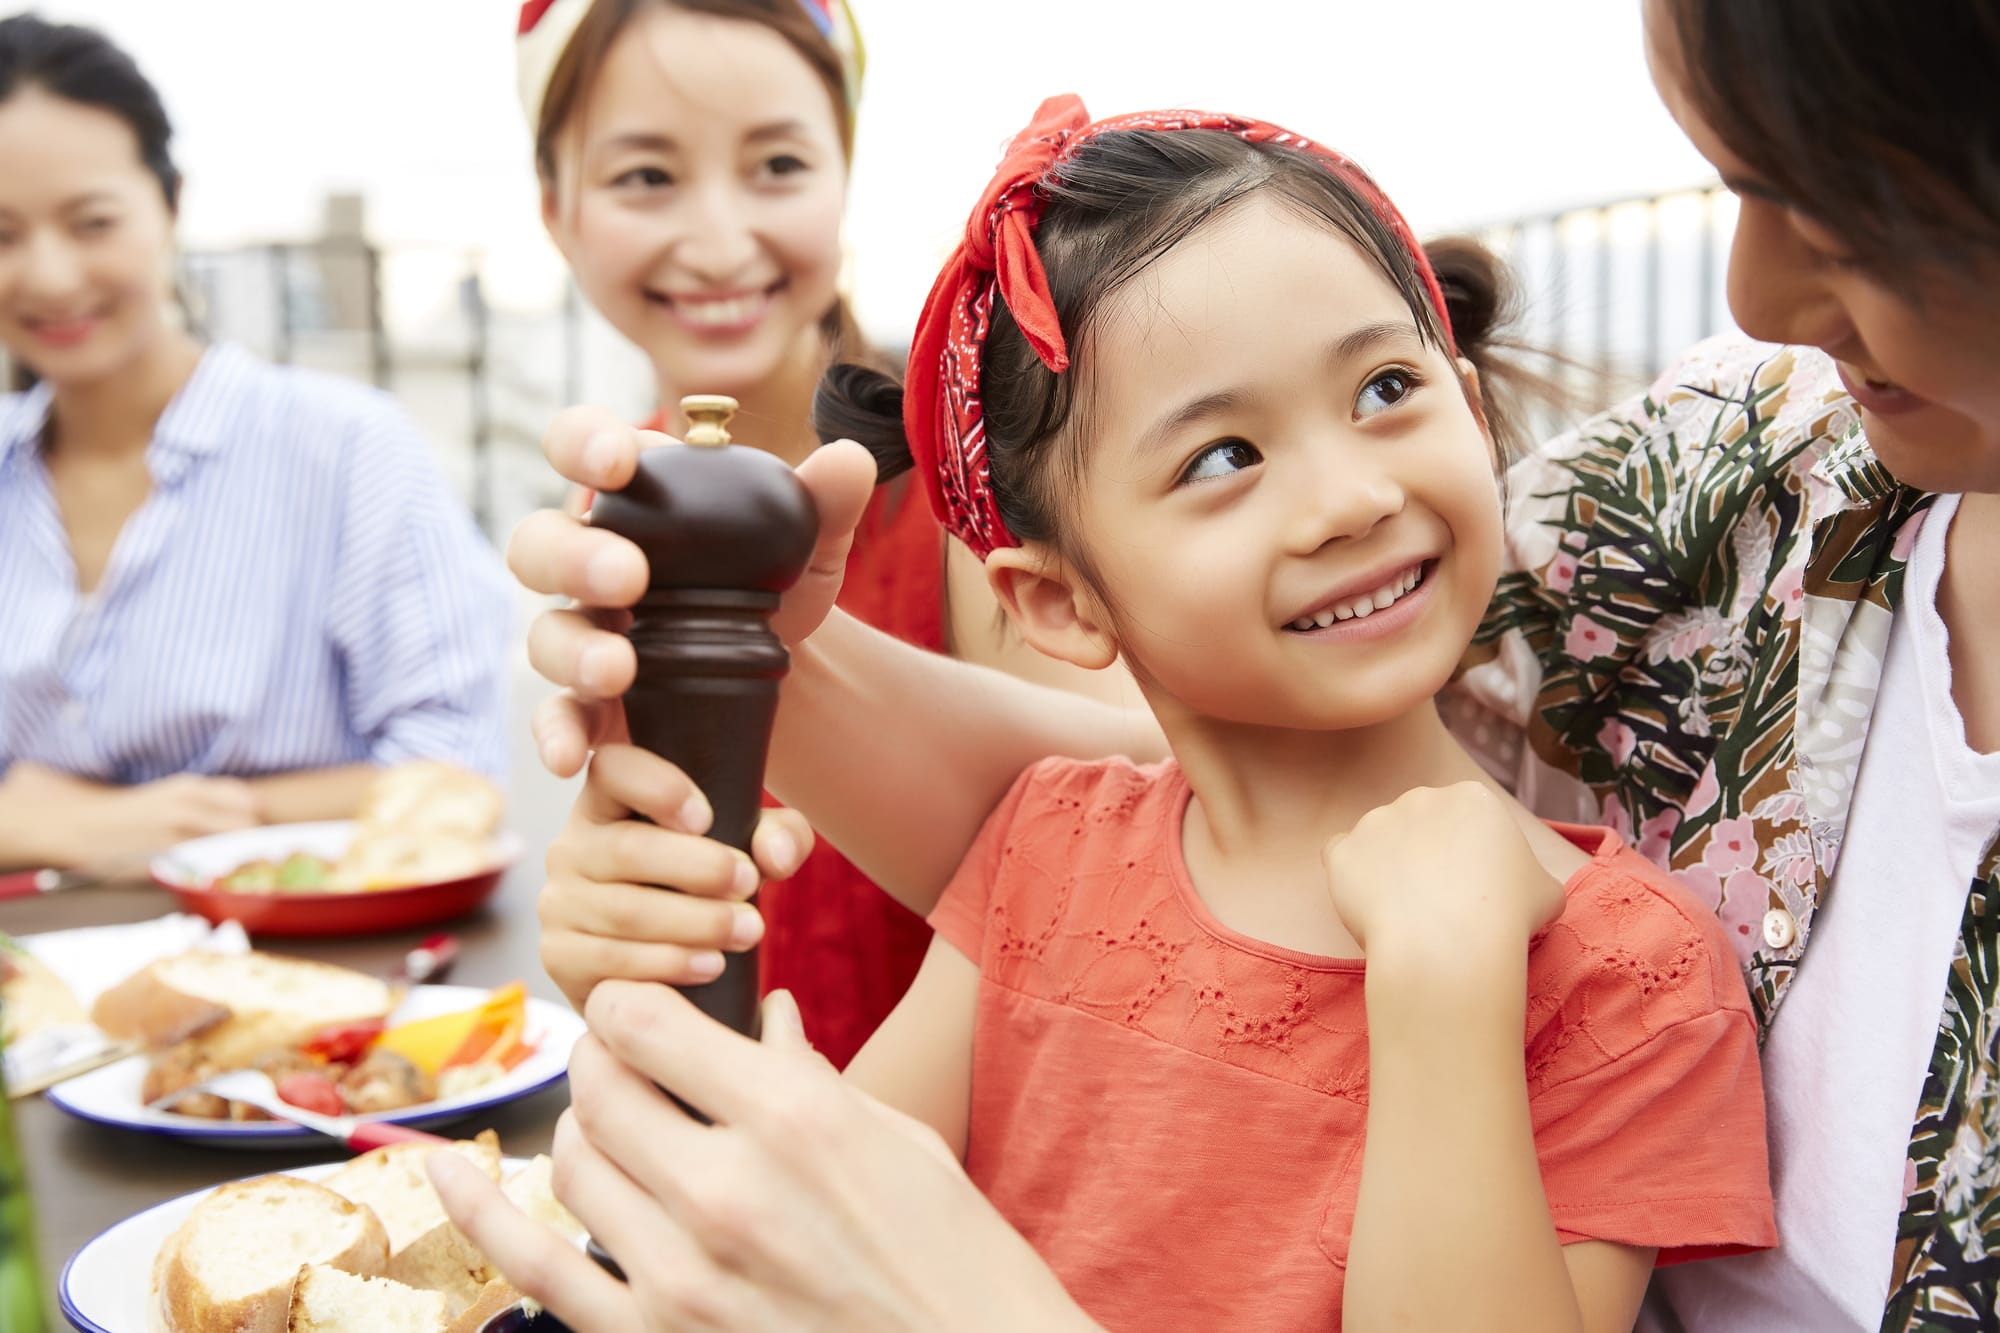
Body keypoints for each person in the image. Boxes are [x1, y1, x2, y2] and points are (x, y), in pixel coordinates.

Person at [460, 0, 2000, 1326]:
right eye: (1222, 458)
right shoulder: (1047, 850)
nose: (1348, 495)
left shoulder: (1615, 969)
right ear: (1058, 602)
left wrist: (1446, 993)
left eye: (1389, 387)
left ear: (1467, 399)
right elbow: (794, 1229)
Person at [516, 0, 1135, 1066]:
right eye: (645, 177)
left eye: (776, 165)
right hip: (742, 1177)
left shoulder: (978, 459)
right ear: (554, 210)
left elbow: (1161, 807)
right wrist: (612, 939)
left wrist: (784, 657)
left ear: (843, 175)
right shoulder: (621, 510)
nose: (717, 241)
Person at [0, 14, 512, 874]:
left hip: (313, 968)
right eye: (3, 235)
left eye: (92, 222)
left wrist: (165, 819)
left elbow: (457, 765)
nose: (50, 275)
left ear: (170, 203)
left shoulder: (346, 450)